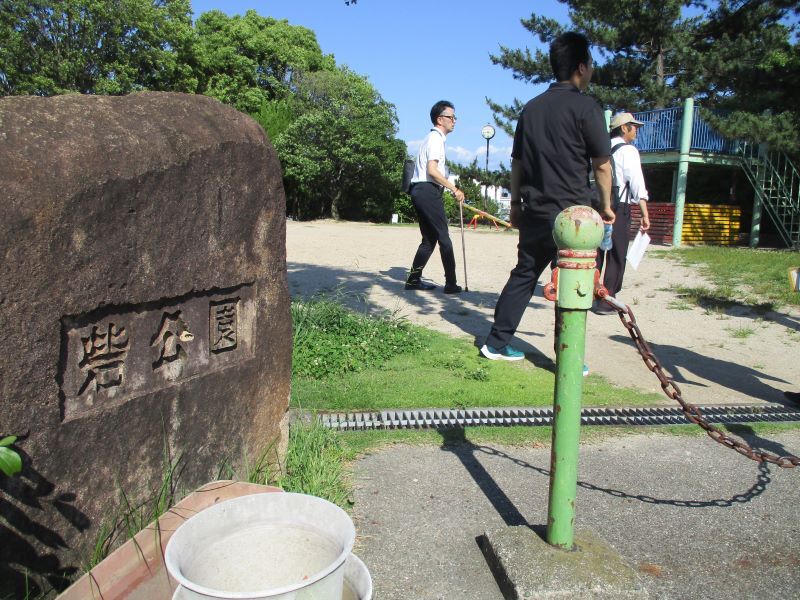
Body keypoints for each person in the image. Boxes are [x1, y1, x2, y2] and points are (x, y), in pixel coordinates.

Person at [480, 32, 614, 361]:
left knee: (524, 274)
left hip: (536, 211)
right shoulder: (587, 108)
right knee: (571, 280)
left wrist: (514, 205)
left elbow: (517, 164)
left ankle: (496, 342)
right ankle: (567, 356)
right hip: (573, 219)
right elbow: (602, 167)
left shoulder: (531, 109)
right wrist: (607, 207)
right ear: (582, 67)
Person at [405, 100, 465, 294]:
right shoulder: (436, 139)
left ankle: (413, 280)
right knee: (444, 238)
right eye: (451, 117)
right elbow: (432, 171)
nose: (454, 121)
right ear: (440, 119)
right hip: (427, 190)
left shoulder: (431, 139)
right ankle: (451, 283)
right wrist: (454, 189)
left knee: (429, 239)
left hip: (420, 191)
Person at [593, 112, 651, 314]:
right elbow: (636, 183)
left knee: (597, 251)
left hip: (597, 203)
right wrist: (644, 213)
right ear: (624, 127)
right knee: (617, 254)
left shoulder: (602, 147)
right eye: (634, 127)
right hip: (619, 206)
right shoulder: (628, 151)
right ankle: (607, 299)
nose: (636, 131)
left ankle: (590, 292)